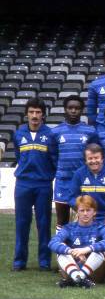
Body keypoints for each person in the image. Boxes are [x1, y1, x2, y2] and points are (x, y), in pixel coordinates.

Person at [12, 98, 57, 271]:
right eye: (31, 112)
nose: (35, 116)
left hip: (43, 185)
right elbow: (18, 156)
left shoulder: (50, 135)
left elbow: (54, 159)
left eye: (38, 112)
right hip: (23, 184)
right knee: (22, 222)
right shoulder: (18, 134)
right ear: (26, 114)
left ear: (43, 115)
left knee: (44, 223)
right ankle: (19, 261)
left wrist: (46, 177)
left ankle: (44, 261)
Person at [51, 95, 98, 232]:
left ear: (82, 110)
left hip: (83, 182)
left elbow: (94, 156)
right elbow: (53, 156)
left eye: (77, 108)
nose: (73, 111)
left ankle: (84, 250)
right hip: (62, 181)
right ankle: (62, 252)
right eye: (70, 108)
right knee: (62, 220)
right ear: (65, 109)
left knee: (86, 218)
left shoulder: (90, 131)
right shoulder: (56, 132)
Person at [49, 195, 105, 288]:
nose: (85, 214)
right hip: (72, 266)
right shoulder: (69, 228)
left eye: (88, 210)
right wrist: (71, 251)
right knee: (61, 247)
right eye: (82, 210)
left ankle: (76, 278)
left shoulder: (101, 227)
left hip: (93, 271)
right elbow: (52, 242)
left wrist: (86, 250)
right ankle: (78, 277)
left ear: (94, 212)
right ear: (77, 212)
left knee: (102, 248)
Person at [68, 143, 105, 235]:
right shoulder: (79, 174)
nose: (93, 161)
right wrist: (80, 209)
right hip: (86, 214)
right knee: (75, 234)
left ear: (102, 158)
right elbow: (71, 197)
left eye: (96, 158)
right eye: (90, 158)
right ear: (85, 160)